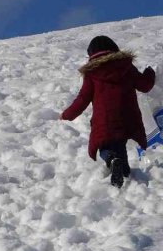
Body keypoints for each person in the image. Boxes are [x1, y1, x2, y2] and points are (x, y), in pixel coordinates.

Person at [60, 35, 156, 188]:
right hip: (127, 118)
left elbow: (83, 99)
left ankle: (112, 161)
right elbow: (144, 85)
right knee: (120, 145)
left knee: (105, 148)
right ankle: (124, 172)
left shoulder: (92, 73)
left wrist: (67, 114)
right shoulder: (126, 67)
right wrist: (150, 73)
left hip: (104, 121)